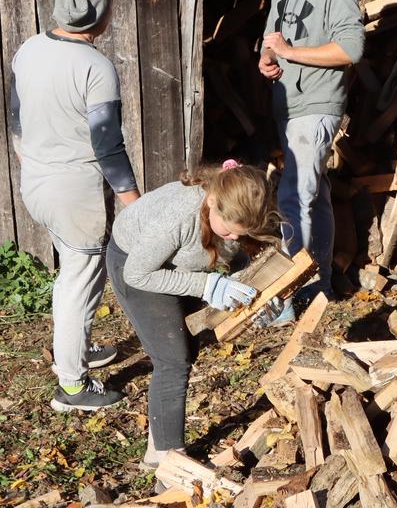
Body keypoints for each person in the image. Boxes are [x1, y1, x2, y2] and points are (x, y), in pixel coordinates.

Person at [10, 0, 140, 413]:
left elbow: (16, 114)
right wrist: (134, 205)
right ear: (102, 15)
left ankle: (77, 348)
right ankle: (71, 386)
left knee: (74, 272)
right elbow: (108, 146)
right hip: (75, 192)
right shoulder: (96, 68)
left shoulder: (29, 49)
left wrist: (28, 159)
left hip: (37, 182)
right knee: (78, 284)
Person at [107, 161, 283, 464]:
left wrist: (260, 292)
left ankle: (157, 446)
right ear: (212, 202)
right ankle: (168, 458)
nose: (233, 239)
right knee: (173, 359)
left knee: (185, 346)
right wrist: (207, 285)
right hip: (137, 268)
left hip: (182, 266)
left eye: (241, 234)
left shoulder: (237, 215)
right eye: (228, 231)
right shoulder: (179, 216)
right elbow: (137, 274)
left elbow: (238, 256)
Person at [257, 0, 365, 301]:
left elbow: (352, 49)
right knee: (314, 196)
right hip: (288, 105)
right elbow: (272, 41)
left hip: (318, 105)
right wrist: (268, 58)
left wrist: (291, 52)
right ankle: (319, 287)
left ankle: (288, 294)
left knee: (292, 197)